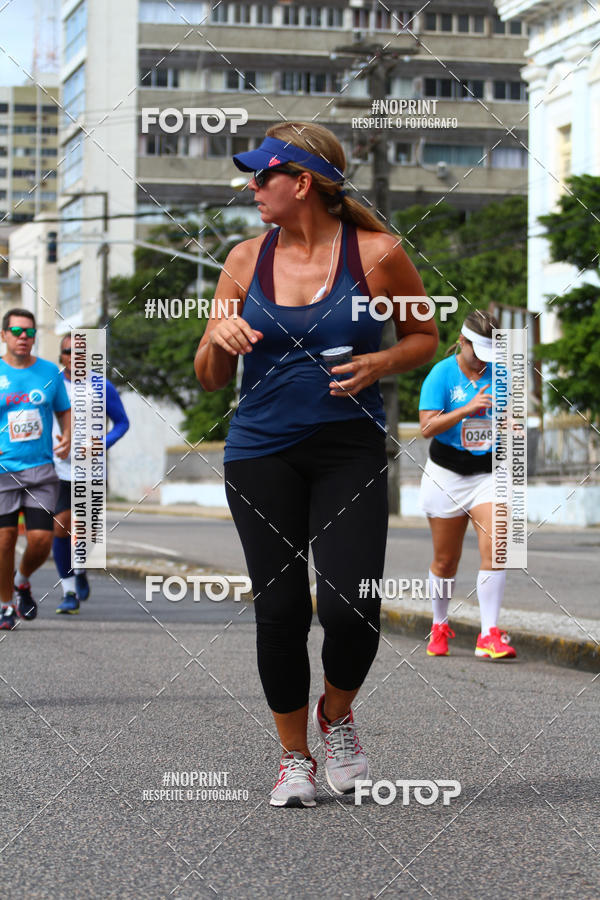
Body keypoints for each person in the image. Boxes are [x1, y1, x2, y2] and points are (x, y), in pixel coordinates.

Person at [195, 122, 438, 807]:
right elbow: (209, 378)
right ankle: (293, 757)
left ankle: (336, 715)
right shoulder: (244, 259)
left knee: (351, 605)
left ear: (302, 182)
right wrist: (217, 336)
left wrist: (382, 361)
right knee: (278, 609)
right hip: (259, 453)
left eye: (262, 175)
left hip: (348, 451)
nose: (251, 186)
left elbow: (424, 335)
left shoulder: (378, 254)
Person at [419, 309, 516, 660]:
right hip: (446, 475)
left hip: (488, 474)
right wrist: (466, 409)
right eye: (478, 352)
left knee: (498, 547)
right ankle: (439, 624)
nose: (483, 361)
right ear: (462, 341)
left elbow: (508, 417)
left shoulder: (502, 375)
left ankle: (489, 634)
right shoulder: (441, 374)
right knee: (446, 561)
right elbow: (426, 427)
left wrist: (510, 424)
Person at [0, 308, 70, 630]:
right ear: (4, 335)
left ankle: (22, 580)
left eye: (29, 332)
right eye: (17, 332)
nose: (24, 337)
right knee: (5, 540)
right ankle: (5, 605)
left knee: (42, 539)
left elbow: (64, 409)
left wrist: (67, 435)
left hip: (41, 469)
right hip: (3, 470)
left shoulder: (49, 372)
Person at [52, 332, 129, 614]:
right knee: (61, 526)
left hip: (91, 470)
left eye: (79, 352)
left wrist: (102, 443)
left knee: (85, 531)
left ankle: (81, 568)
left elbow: (122, 423)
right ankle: (69, 592)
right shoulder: (52, 385)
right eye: (68, 352)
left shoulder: (101, 385)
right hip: (58, 469)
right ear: (61, 356)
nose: (74, 357)